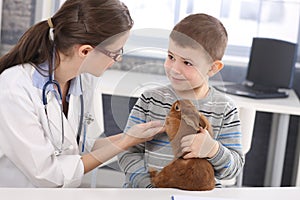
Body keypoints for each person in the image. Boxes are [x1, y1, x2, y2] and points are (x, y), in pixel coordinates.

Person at [0, 0, 164, 188]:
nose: (118, 59)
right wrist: (126, 141)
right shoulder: (15, 87)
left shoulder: (84, 79)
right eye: (115, 53)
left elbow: (83, 147)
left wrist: (132, 137)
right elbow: (50, 175)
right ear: (85, 51)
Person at [118, 13, 244, 188]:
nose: (174, 69)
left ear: (213, 68)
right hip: (147, 193)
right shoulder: (150, 100)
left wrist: (214, 150)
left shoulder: (225, 109)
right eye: (171, 57)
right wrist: (149, 187)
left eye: (187, 63)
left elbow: (234, 169)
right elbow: (128, 152)